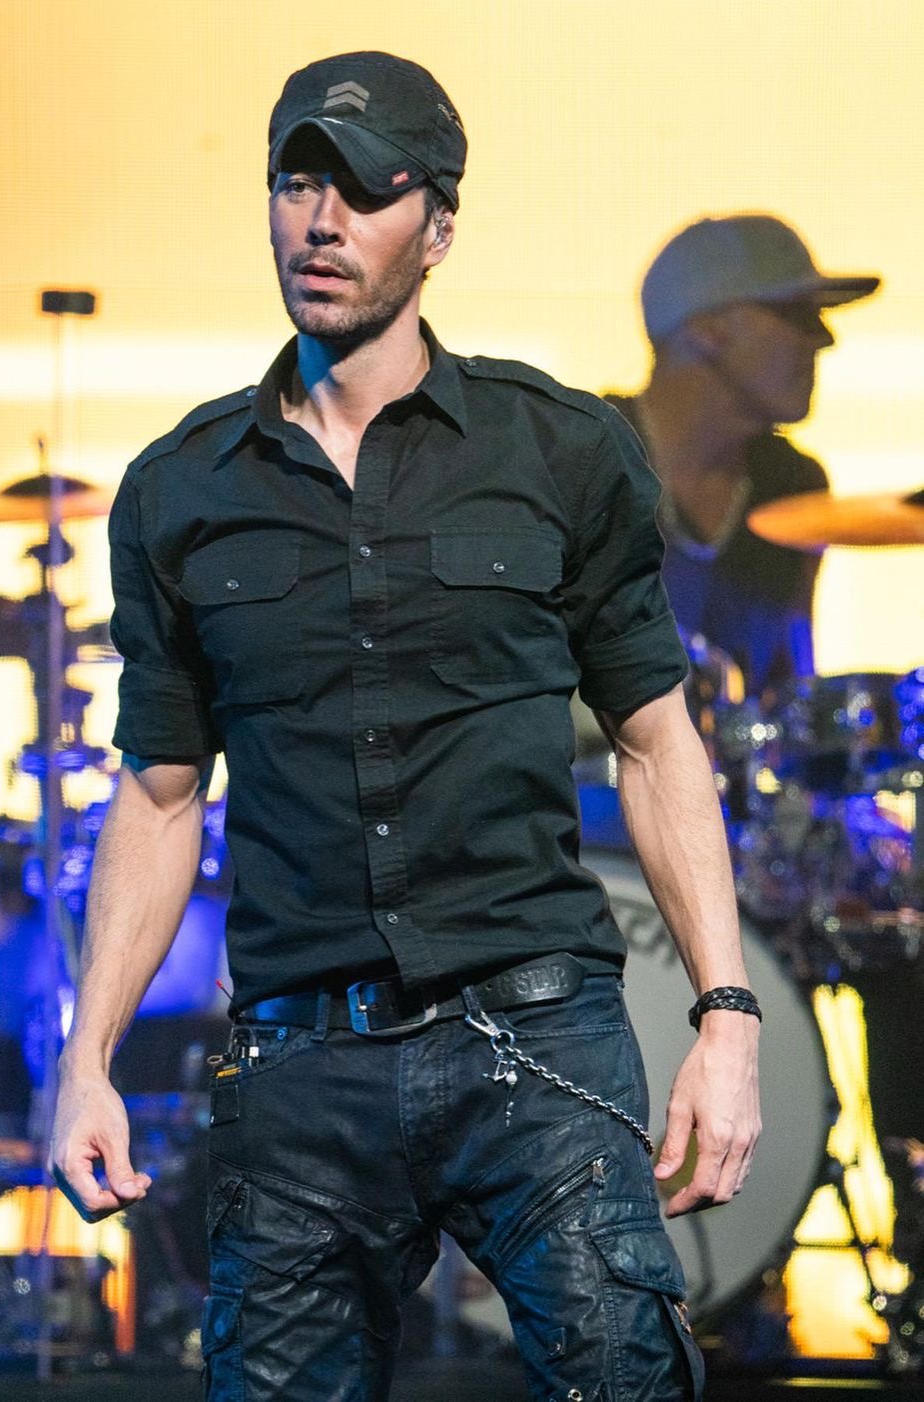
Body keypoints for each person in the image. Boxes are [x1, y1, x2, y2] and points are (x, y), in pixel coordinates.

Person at [51, 51, 761, 1401]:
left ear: (435, 228)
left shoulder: (559, 448)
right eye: (296, 182)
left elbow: (657, 739)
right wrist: (86, 1060)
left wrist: (726, 1019)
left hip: (536, 1038)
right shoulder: (180, 490)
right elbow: (157, 793)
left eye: (366, 190)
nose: (321, 221)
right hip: (300, 1059)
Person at [605, 214, 879, 693]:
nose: (825, 338)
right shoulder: (580, 458)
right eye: (797, 314)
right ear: (707, 329)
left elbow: (787, 695)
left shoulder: (793, 481)